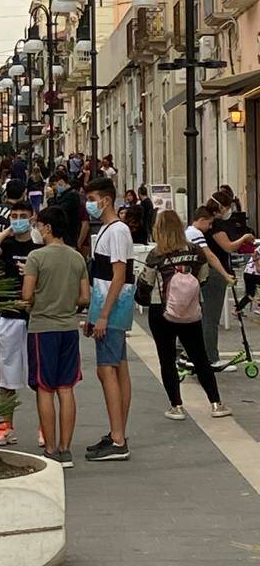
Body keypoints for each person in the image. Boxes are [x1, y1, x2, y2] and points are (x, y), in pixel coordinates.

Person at [135, 210, 231, 421]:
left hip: (161, 311)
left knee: (167, 359)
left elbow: (146, 285)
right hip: (190, 311)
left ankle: (176, 406)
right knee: (200, 357)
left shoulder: (156, 254)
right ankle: (216, 403)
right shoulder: (196, 251)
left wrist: (142, 298)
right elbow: (203, 278)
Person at [22, 206, 90, 468]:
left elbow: (27, 295)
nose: (37, 230)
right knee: (66, 387)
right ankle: (66, 448)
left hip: (42, 327)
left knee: (44, 388)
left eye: (39, 225)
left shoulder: (36, 258)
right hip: (68, 327)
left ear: (48, 228)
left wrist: (41, 297)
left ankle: (50, 448)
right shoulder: (76, 258)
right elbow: (84, 297)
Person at [84, 176, 134, 462]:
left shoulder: (116, 231)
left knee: (108, 370)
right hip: (110, 307)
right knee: (118, 368)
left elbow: (118, 275)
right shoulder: (110, 230)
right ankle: (118, 432)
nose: (89, 204)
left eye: (92, 199)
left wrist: (102, 315)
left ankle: (117, 438)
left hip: (113, 309)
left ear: (105, 199)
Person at [0, 200, 39, 446]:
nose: (18, 219)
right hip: (8, 315)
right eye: (14, 215)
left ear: (32, 217)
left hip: (35, 316)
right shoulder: (6, 244)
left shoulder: (39, 246)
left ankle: (44, 427)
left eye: (22, 216)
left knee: (39, 376)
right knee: (7, 377)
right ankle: (6, 426)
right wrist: (8, 229)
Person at [200, 190, 252, 370]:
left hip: (207, 272)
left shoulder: (207, 222)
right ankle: (211, 358)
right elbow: (228, 248)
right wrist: (244, 238)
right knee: (211, 317)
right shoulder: (216, 225)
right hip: (216, 273)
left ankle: (202, 355)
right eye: (228, 207)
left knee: (205, 315)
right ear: (221, 207)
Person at [48, 171, 83, 249]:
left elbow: (55, 212)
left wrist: (51, 198)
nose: (53, 188)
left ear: (61, 182)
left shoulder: (71, 196)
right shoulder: (62, 195)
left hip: (69, 234)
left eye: (54, 184)